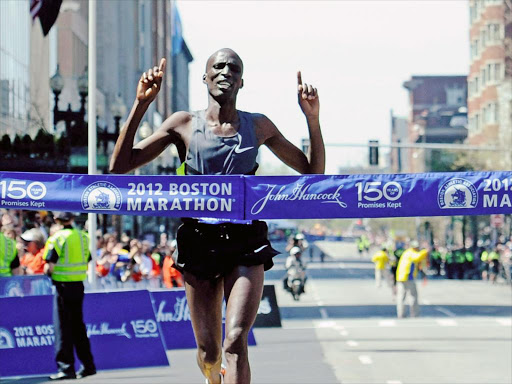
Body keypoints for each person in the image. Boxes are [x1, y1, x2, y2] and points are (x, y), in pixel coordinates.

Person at [110, 48, 324, 384]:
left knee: (236, 339)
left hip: (246, 241)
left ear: (242, 81)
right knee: (210, 351)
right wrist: (141, 104)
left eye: (233, 68)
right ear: (205, 77)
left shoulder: (259, 125)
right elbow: (119, 167)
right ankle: (214, 376)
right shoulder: (183, 123)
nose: (225, 71)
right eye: (218, 66)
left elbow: (312, 172)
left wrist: (312, 118)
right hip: (198, 242)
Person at [42, 212, 96, 380]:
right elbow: (88, 259)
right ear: (72, 219)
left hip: (62, 287)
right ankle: (88, 365)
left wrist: (49, 274)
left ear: (57, 221)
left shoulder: (58, 238)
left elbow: (50, 265)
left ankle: (66, 368)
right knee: (78, 327)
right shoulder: (83, 237)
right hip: (78, 286)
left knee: (63, 329)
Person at [395, 240, 427, 318]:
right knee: (413, 295)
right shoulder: (411, 253)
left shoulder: (406, 252)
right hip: (408, 276)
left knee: (401, 296)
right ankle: (414, 314)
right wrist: (425, 251)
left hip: (400, 277)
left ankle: (401, 314)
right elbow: (417, 258)